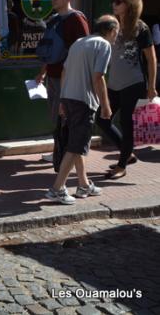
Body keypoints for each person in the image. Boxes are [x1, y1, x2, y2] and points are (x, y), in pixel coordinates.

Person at [45, 15, 118, 205]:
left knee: (77, 144)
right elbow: (98, 77)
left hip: (69, 97)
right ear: (111, 31)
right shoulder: (103, 45)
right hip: (83, 101)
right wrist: (106, 105)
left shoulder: (79, 43)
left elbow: (64, 72)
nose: (116, 37)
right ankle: (57, 189)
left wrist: (62, 100)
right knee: (76, 146)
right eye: (116, 33)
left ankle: (84, 184)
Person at [97, 0, 158, 180]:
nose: (113, 5)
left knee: (126, 123)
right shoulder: (112, 25)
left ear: (129, 6)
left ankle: (121, 165)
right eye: (113, 1)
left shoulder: (140, 28)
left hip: (134, 82)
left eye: (118, 2)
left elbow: (151, 58)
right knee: (102, 118)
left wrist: (151, 86)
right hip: (114, 82)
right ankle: (127, 152)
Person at [35, 0, 89, 166]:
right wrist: (42, 72)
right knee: (56, 115)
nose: (53, 0)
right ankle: (59, 149)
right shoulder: (54, 19)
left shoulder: (77, 19)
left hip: (68, 77)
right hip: (53, 74)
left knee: (64, 114)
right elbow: (49, 49)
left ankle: (64, 151)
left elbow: (84, 49)